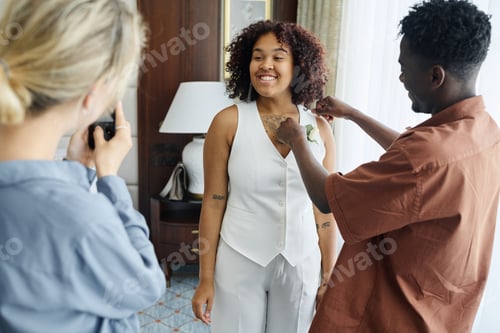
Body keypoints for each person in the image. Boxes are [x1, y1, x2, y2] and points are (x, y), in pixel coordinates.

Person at [276, 0, 500, 332]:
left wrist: (295, 138)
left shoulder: (424, 156)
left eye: (404, 67)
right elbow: (422, 164)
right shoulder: (485, 132)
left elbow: (327, 197)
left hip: (392, 316)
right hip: (443, 313)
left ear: (435, 76)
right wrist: (355, 115)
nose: (400, 77)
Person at [0, 1, 165, 332]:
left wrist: (77, 170)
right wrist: (110, 181)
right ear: (91, 98)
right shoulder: (84, 221)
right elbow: (146, 285)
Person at [191, 20, 337, 332]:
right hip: (239, 259)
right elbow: (213, 202)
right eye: (258, 57)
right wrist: (205, 278)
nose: (265, 65)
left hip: (301, 261)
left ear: (298, 65)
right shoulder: (227, 122)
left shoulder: (321, 129)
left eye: (278, 57)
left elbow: (325, 210)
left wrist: (329, 274)